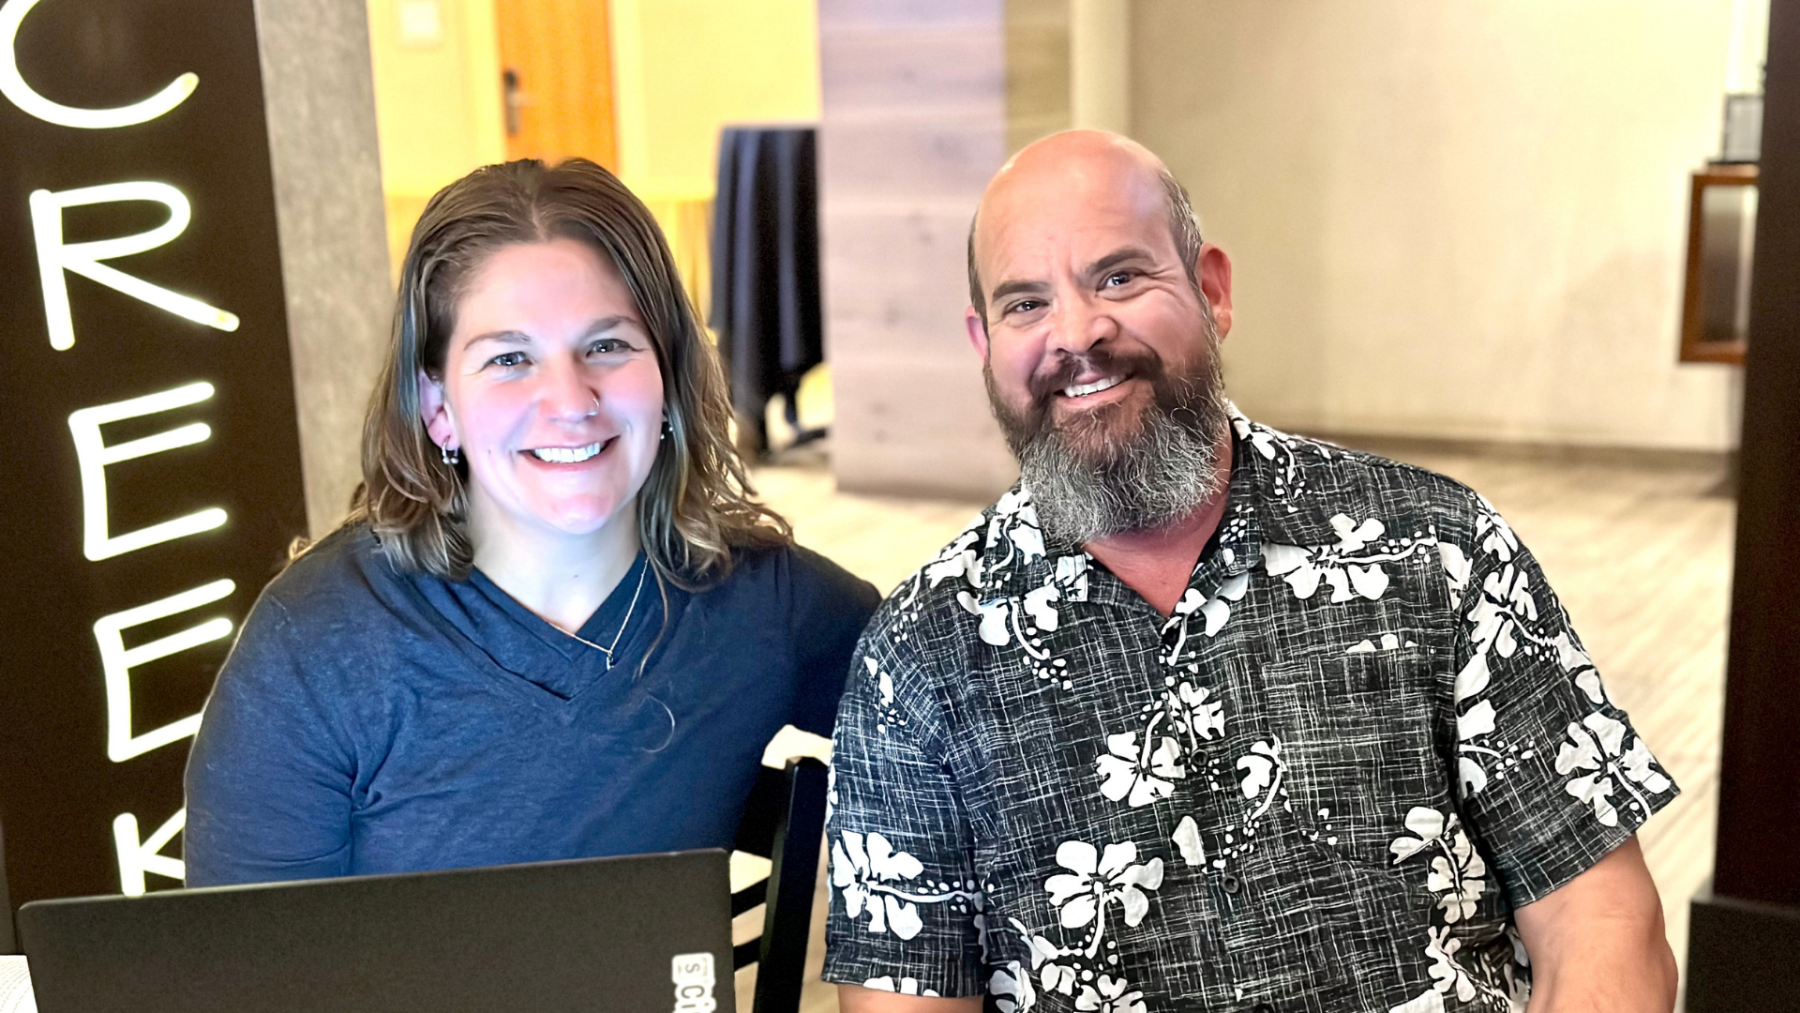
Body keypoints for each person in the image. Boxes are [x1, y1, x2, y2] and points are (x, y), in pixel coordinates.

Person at [824, 132, 1679, 1012]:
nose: (1077, 332)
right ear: (984, 342)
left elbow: (1601, 922)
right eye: (1026, 303)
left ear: (1213, 290)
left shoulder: (1436, 549)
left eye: (1119, 277)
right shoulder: (919, 657)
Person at [184, 158, 878, 885]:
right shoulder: (315, 649)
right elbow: (245, 950)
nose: (571, 401)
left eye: (607, 346)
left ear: (668, 377)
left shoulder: (765, 605)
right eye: (510, 358)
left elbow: (944, 706)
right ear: (437, 409)